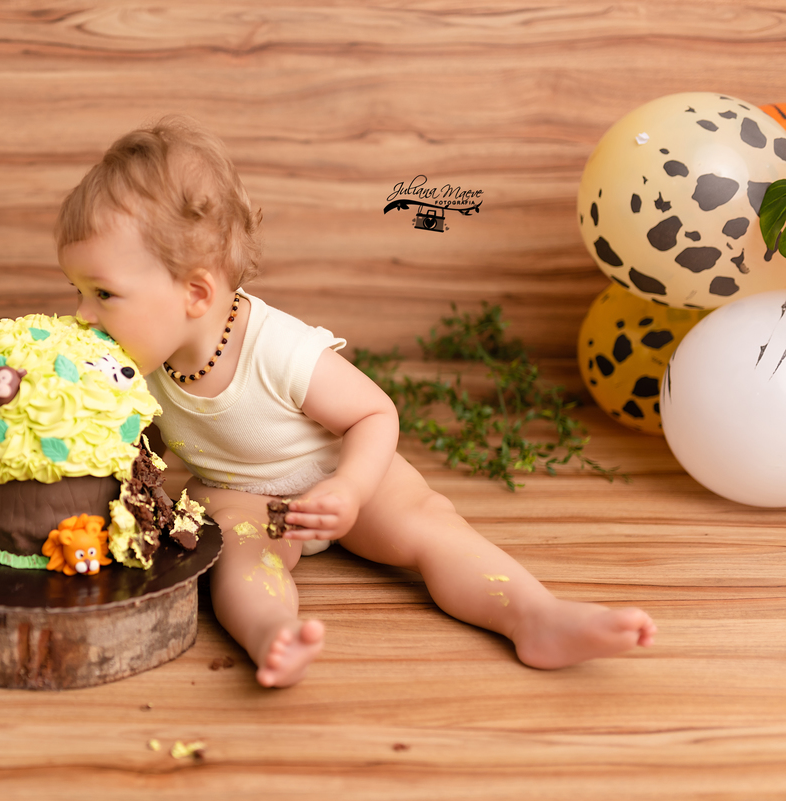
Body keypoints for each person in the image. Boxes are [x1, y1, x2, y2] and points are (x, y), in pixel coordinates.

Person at [55, 115, 656, 688]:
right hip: (245, 494)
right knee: (237, 559)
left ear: (194, 292)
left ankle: (535, 616)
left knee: (433, 528)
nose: (83, 315)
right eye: (78, 291)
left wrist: (351, 489)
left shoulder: (278, 349)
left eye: (103, 293)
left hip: (345, 472)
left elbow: (375, 414)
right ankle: (274, 634)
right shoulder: (136, 356)